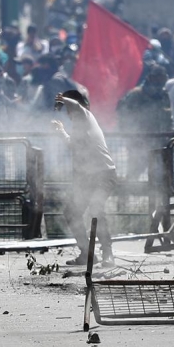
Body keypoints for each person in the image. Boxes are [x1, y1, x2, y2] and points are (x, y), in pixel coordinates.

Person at [51, 90, 117, 267]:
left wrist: (63, 99)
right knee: (71, 212)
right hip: (87, 179)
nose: (70, 114)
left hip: (104, 174)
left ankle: (108, 253)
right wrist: (62, 131)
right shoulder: (77, 129)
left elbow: (77, 106)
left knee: (96, 207)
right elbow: (72, 145)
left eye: (70, 109)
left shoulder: (87, 117)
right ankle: (86, 253)